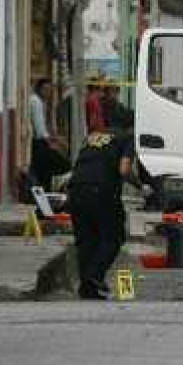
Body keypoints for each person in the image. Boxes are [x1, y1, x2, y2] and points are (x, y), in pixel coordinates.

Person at [66, 112, 137, 300]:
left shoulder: (93, 136)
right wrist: (140, 186)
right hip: (101, 190)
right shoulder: (128, 137)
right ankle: (95, 275)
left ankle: (87, 288)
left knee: (85, 240)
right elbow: (124, 169)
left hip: (75, 189)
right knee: (114, 236)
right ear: (132, 126)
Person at [29, 78, 70, 192]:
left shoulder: (42, 103)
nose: (48, 92)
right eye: (45, 89)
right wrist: (55, 142)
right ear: (39, 89)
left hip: (41, 143)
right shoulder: (36, 102)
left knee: (46, 172)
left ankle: (47, 192)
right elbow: (40, 131)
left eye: (50, 89)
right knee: (63, 164)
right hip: (38, 144)